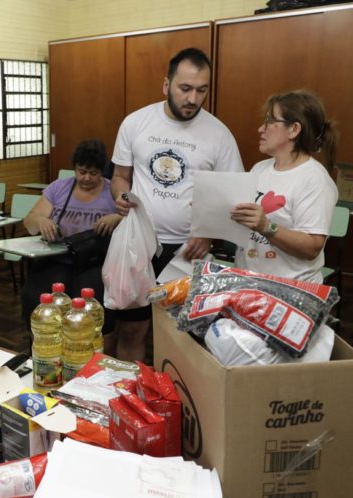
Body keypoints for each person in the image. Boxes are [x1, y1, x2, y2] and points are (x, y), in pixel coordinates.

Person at [109, 47, 245, 362]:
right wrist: (119, 194)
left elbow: (232, 196)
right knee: (132, 331)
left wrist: (209, 233)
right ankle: (133, 397)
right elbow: (119, 176)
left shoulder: (219, 135)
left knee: (184, 339)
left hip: (189, 250)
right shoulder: (136, 123)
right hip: (137, 245)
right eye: (185, 88)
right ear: (166, 85)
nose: (193, 99)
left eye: (202, 90)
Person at [230, 90, 338, 283]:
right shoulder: (259, 168)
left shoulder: (315, 179)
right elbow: (246, 220)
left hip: (291, 292)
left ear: (294, 129)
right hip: (248, 282)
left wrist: (266, 226)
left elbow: (312, 247)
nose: (261, 129)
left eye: (271, 121)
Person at [21, 139, 122, 333]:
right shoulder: (59, 188)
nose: (86, 178)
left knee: (92, 315)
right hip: (57, 258)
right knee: (37, 303)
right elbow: (30, 221)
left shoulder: (112, 191)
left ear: (102, 171)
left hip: (94, 261)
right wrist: (41, 221)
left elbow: (133, 220)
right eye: (81, 172)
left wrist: (116, 217)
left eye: (93, 173)